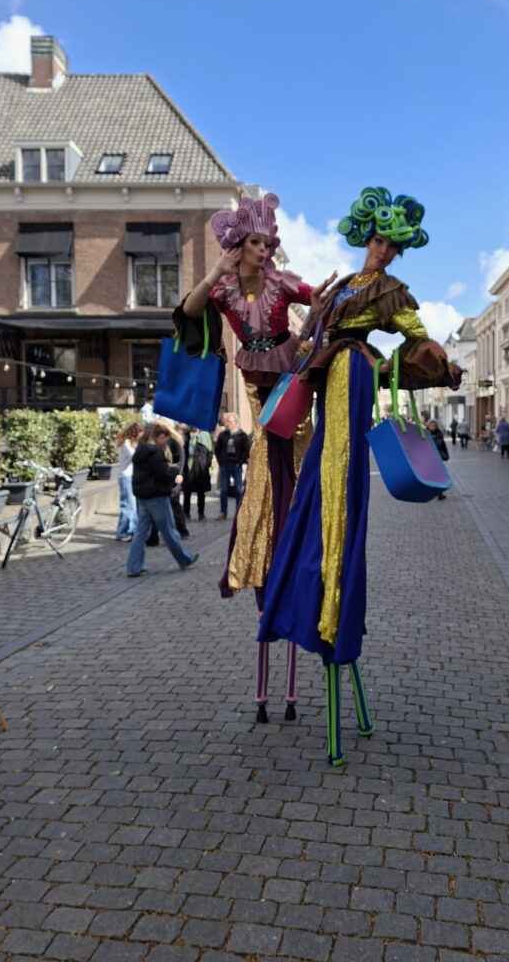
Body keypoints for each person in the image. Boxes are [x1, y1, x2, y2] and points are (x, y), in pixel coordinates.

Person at [257, 185, 461, 764]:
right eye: (377, 240)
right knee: (321, 483)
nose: (383, 252)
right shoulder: (343, 284)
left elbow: (420, 340)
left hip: (353, 380)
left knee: (339, 486)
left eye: (393, 246)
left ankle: (331, 608)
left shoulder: (390, 293)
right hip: (329, 388)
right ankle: (315, 598)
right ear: (365, 235)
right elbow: (309, 340)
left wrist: (408, 363)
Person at [177, 191, 330, 724]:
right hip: (261, 399)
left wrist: (326, 300)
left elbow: (312, 296)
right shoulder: (222, 286)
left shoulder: (282, 284)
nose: (266, 252)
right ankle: (264, 559)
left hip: (291, 378)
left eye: (270, 244)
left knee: (299, 449)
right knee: (264, 478)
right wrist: (215, 267)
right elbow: (190, 311)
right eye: (257, 243)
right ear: (240, 244)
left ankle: (304, 540)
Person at [126, 422, 198, 577]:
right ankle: (185, 558)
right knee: (169, 531)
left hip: (142, 496)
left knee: (140, 533)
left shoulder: (140, 451)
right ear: (159, 437)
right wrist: (174, 472)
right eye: (166, 438)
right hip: (157, 496)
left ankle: (133, 567)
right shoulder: (155, 453)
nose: (167, 442)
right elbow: (162, 475)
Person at [213, 414, 250, 520]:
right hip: (225, 465)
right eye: (226, 421)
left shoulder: (242, 435)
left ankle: (239, 512)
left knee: (238, 490)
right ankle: (223, 512)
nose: (227, 423)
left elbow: (246, 450)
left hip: (236, 465)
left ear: (235, 422)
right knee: (224, 489)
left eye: (229, 421)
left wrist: (240, 462)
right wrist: (221, 462)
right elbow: (217, 449)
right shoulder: (223, 435)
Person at [115, 421, 144, 541]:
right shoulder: (126, 443)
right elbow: (135, 457)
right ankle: (123, 532)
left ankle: (132, 530)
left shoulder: (131, 443)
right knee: (128, 505)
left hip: (132, 475)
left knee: (133, 505)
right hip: (126, 476)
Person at [184, 428, 213, 522]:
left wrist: (206, 464)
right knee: (187, 491)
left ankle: (201, 513)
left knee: (201, 492)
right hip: (189, 467)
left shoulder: (206, 435)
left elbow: (210, 452)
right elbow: (184, 452)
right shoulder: (186, 436)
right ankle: (186, 513)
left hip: (202, 468)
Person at [426, 419, 449, 500]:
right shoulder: (425, 434)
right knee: (431, 476)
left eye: (434, 425)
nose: (433, 427)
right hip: (429, 458)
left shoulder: (439, 433)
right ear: (428, 426)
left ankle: (440, 493)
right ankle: (430, 491)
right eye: (431, 425)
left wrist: (446, 455)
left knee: (439, 476)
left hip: (439, 457)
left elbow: (443, 445)